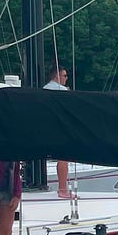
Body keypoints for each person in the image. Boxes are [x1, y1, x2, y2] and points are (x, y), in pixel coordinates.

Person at [44, 67, 73, 198]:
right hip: (59, 127)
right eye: (65, 76)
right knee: (64, 157)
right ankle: (62, 189)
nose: (66, 78)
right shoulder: (62, 90)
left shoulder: (45, 89)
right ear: (57, 76)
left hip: (46, 127)